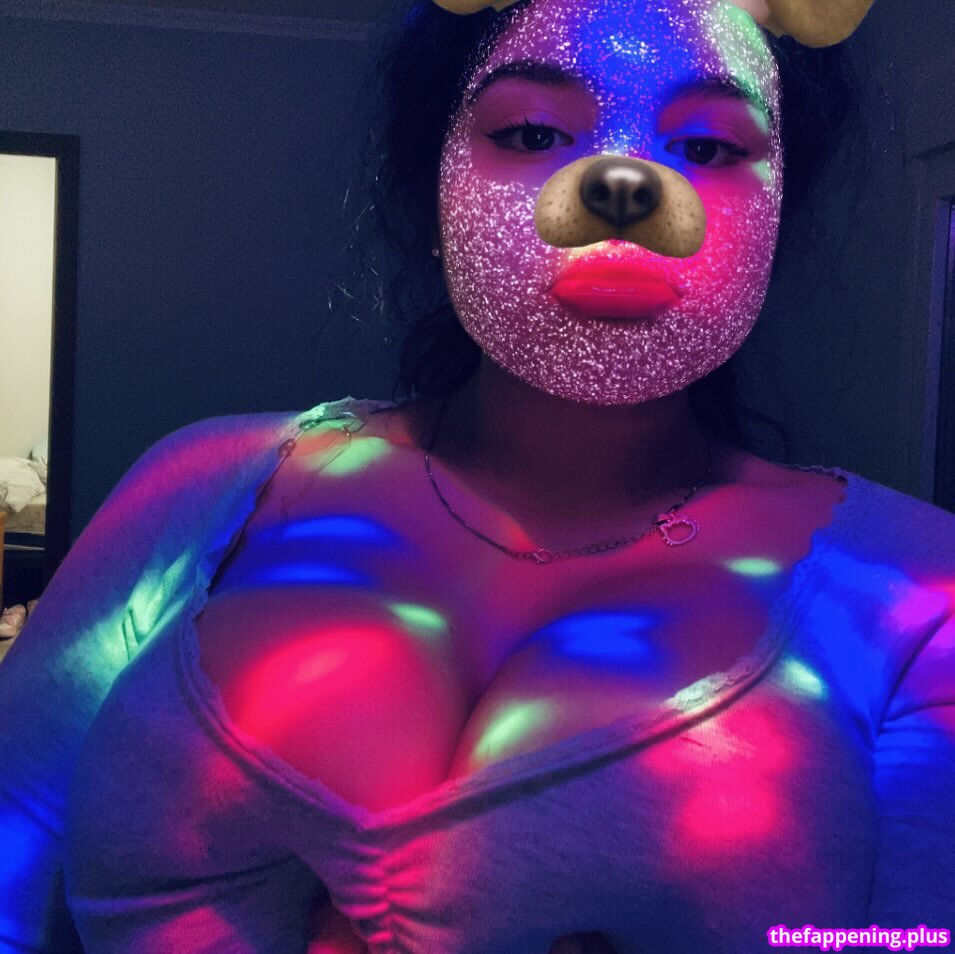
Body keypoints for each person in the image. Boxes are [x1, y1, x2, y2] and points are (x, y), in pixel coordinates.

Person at [1, 0, 953, 951]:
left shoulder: (917, 591)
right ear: (434, 194)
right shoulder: (206, 483)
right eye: (532, 132)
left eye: (706, 148)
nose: (621, 186)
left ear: (774, 220)